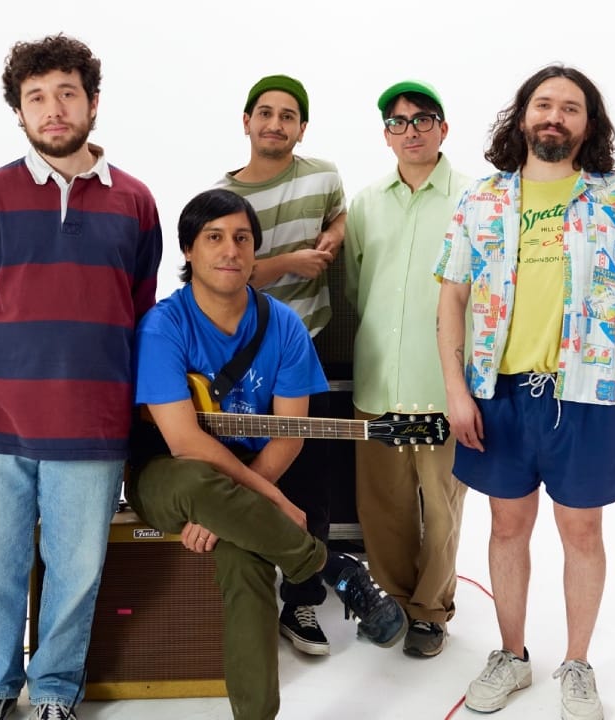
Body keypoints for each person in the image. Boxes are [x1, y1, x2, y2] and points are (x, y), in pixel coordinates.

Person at [435, 64, 615, 720]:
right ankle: (511, 655)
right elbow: (451, 295)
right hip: (498, 392)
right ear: (521, 117)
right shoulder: (480, 199)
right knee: (507, 526)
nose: (555, 117)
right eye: (544, 104)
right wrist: (456, 388)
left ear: (588, 125)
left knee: (582, 530)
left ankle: (576, 664)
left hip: (588, 395)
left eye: (571, 108)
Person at [0, 34, 162, 720]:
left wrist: (140, 421)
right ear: (20, 112)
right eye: (37, 98)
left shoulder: (135, 201)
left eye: (67, 93)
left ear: (93, 102)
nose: (53, 109)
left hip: (94, 431)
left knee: (77, 576)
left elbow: (145, 321)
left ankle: (58, 690)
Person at [126, 188, 404, 720]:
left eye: (241, 238)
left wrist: (240, 506)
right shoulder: (164, 326)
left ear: (255, 252)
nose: (229, 250)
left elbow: (291, 432)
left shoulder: (285, 326)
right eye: (214, 238)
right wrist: (266, 500)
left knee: (248, 563)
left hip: (244, 486)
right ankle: (330, 568)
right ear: (188, 250)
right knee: (194, 483)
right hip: (168, 478)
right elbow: (184, 443)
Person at [216, 74, 348, 656]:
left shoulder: (323, 176)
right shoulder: (221, 199)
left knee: (310, 480)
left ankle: (301, 603)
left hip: (309, 351)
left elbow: (342, 217)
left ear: (301, 127)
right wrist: (289, 262)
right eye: (264, 113)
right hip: (243, 361)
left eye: (288, 115)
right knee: (246, 475)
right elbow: (218, 277)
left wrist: (332, 240)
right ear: (246, 122)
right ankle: (244, 595)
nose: (275, 123)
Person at [344, 80, 471, 659]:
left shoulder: (477, 198)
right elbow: (353, 286)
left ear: (443, 128)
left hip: (444, 385)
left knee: (442, 508)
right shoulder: (367, 202)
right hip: (378, 380)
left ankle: (430, 610)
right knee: (382, 507)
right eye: (399, 122)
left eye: (424, 119)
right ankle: (392, 600)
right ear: (386, 135)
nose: (411, 130)